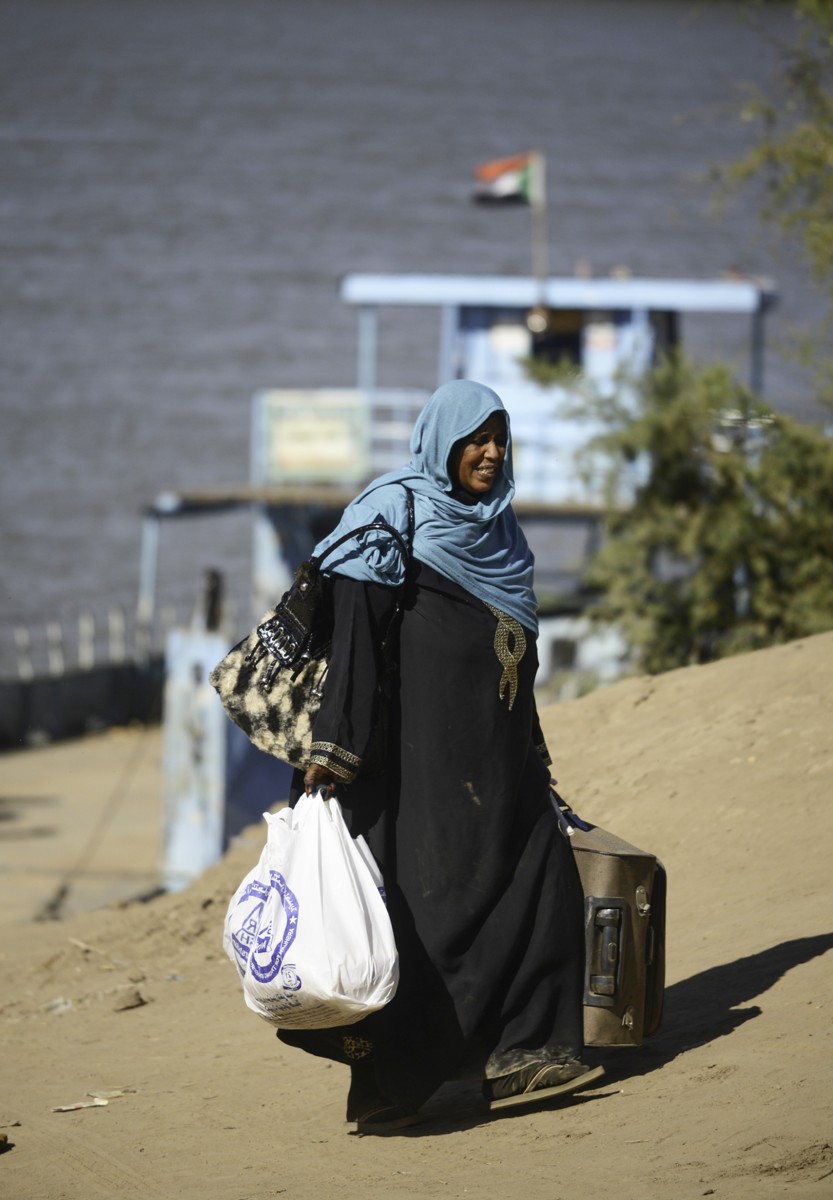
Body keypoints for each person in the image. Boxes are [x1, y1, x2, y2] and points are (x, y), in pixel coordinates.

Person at [278, 379, 602, 1132]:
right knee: (426, 918)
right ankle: (392, 1084)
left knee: (541, 885)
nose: (489, 454)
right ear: (441, 443)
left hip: (498, 760)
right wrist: (334, 748)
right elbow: (355, 638)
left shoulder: (499, 530)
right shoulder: (392, 513)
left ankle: (525, 1055)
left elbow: (514, 657)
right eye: (474, 440)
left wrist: (530, 744)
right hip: (417, 770)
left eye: (499, 439)